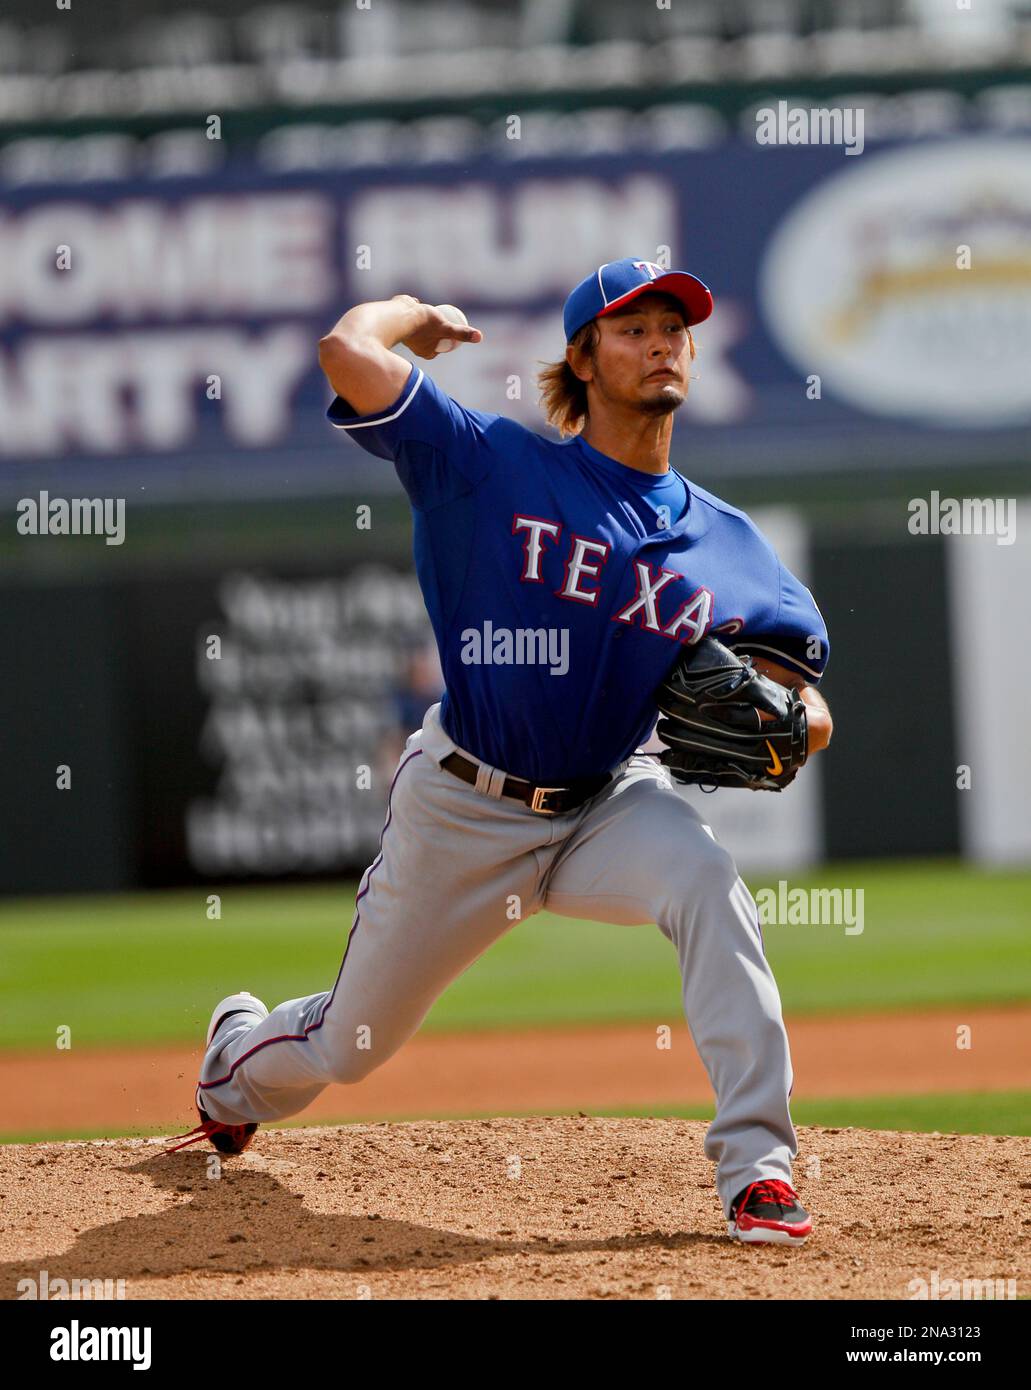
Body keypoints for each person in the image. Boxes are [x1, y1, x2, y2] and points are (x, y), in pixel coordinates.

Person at [171, 258, 833, 1246]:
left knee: (704, 878)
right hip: (463, 804)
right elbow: (345, 351)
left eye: (672, 327)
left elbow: (805, 705)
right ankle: (234, 1062)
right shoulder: (484, 462)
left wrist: (793, 726)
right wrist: (415, 316)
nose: (658, 343)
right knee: (351, 1046)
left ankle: (758, 1173)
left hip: (606, 799)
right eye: (630, 328)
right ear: (581, 357)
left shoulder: (729, 545)